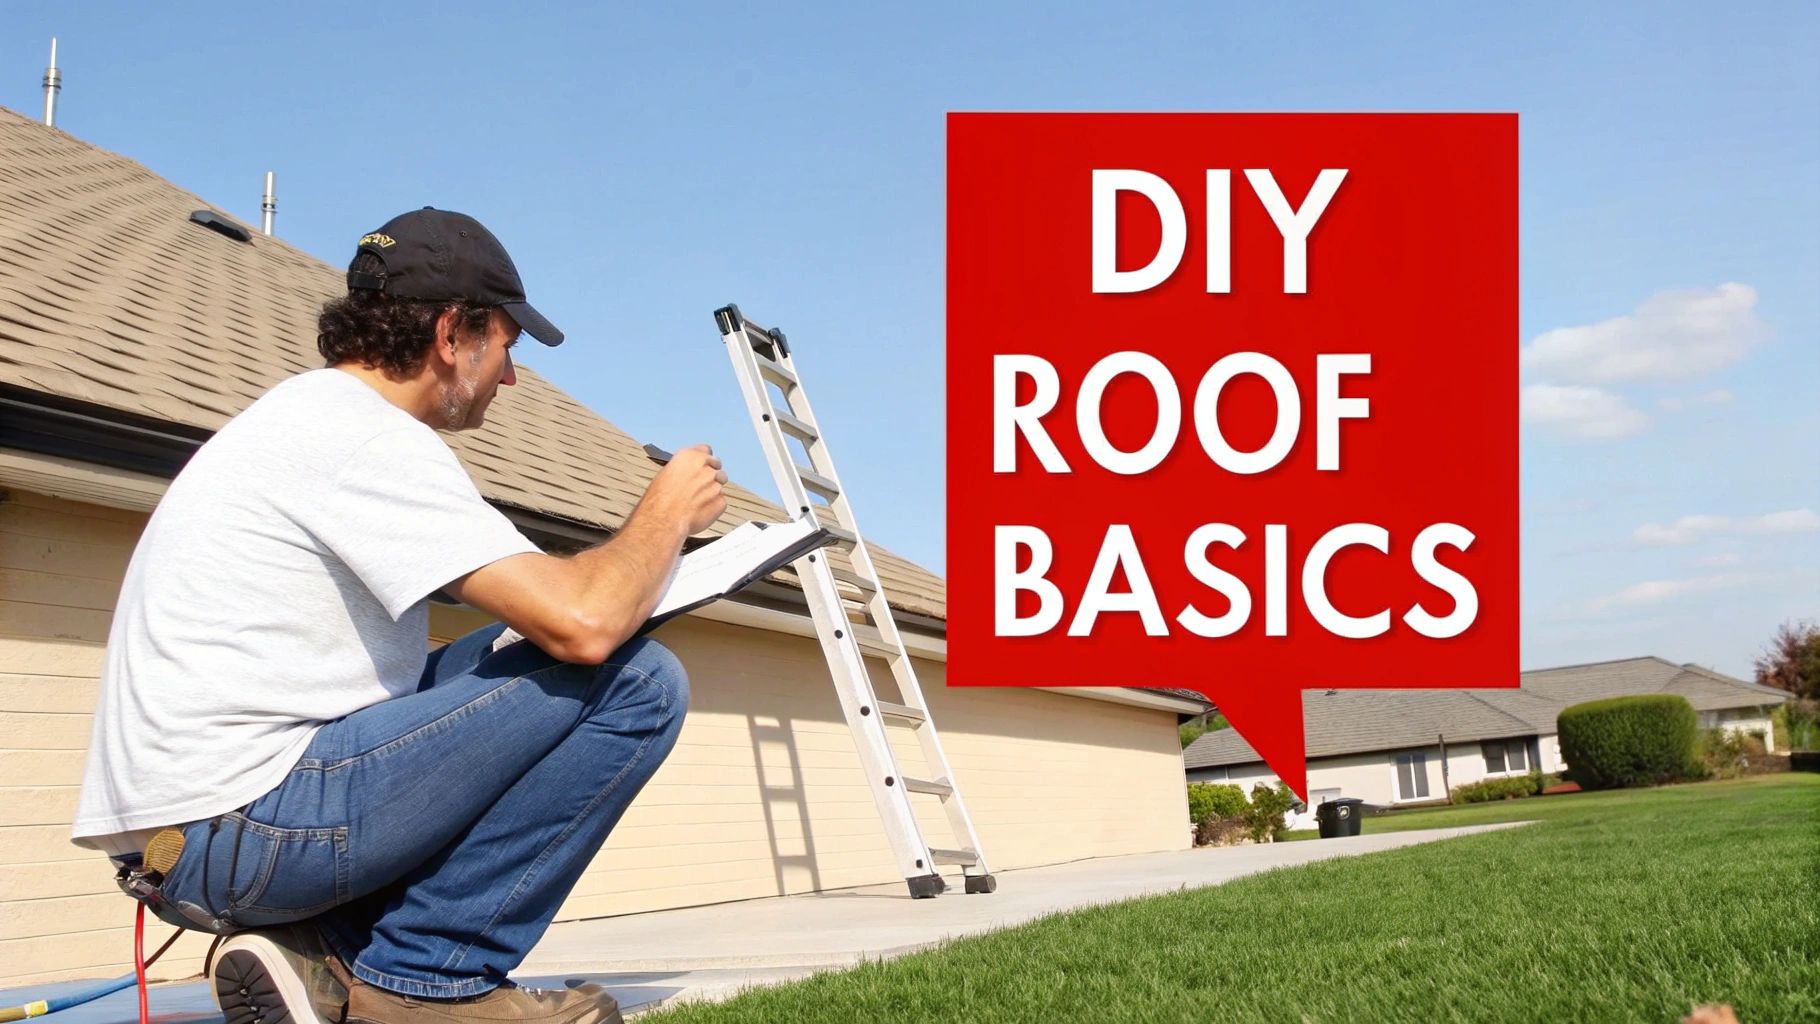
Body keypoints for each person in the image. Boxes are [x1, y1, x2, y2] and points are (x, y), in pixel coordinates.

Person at [70, 208, 727, 1024]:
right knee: (634, 678)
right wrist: (665, 514)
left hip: (198, 836)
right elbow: (584, 622)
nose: (509, 381)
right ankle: (426, 980)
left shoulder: (303, 422)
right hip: (243, 828)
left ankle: (328, 953)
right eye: (506, 352)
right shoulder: (364, 441)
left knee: (496, 649)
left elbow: (535, 615)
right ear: (454, 333)